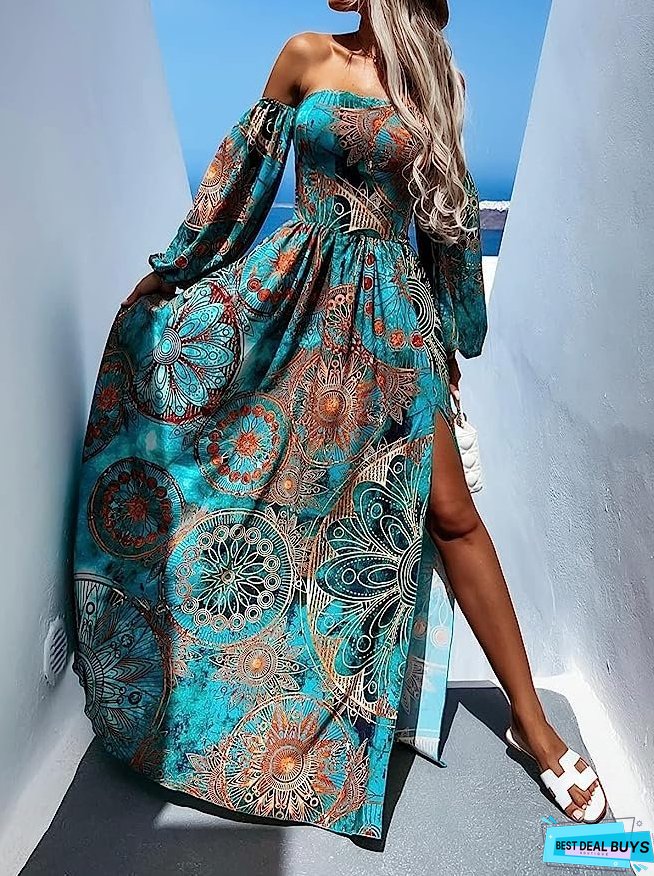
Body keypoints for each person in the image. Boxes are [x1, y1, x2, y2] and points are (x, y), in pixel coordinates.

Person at [72, 0, 607, 840]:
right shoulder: (306, 54)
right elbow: (239, 183)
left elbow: (450, 219)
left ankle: (532, 725)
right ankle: (253, 702)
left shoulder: (433, 78)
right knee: (276, 506)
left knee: (453, 514)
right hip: (297, 305)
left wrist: (454, 340)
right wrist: (173, 274)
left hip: (393, 323)